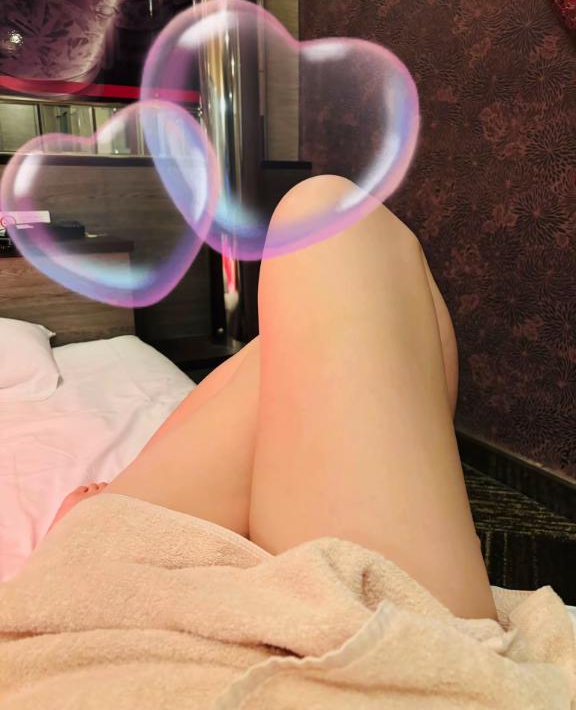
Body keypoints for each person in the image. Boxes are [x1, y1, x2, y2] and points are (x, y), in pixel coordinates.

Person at [49, 174, 498, 622]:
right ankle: (94, 523)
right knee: (326, 214)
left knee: (291, 336)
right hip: (371, 642)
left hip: (95, 590)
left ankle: (95, 520)